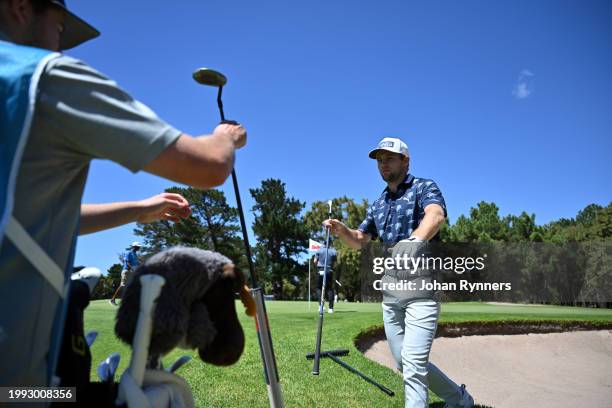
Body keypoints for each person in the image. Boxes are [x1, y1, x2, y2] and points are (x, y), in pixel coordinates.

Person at [0, 0, 246, 387]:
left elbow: (29, 217)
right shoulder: (42, 77)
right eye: (60, 29)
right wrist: (225, 138)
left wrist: (139, 208)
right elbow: (209, 166)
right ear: (20, 8)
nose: (61, 48)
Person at [324, 138, 474, 408]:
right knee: (404, 361)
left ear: (406, 160)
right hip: (391, 287)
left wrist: (415, 240)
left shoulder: (423, 187)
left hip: (421, 285)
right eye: (380, 160)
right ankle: (458, 398)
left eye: (389, 158)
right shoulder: (379, 202)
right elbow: (360, 239)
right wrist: (342, 230)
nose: (383, 164)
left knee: (414, 363)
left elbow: (436, 215)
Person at [313, 240, 337, 313]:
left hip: (320, 269)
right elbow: (335, 263)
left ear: (324, 243)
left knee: (319, 288)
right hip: (329, 270)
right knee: (329, 289)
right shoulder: (333, 251)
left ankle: (321, 306)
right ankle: (330, 308)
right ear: (330, 243)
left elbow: (315, 261)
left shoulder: (319, 250)